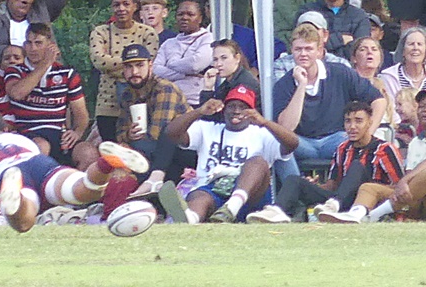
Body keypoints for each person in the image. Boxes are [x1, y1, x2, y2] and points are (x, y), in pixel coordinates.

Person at [0, 110, 148, 236]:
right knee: (82, 191)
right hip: (39, 163)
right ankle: (106, 162)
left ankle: (15, 196)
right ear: (5, 129)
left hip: (6, 172)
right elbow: (38, 154)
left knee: (23, 222)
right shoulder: (21, 139)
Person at [321, 89, 426, 223]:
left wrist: (403, 181)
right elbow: (411, 174)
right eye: (422, 106)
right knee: (369, 187)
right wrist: (400, 187)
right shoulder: (416, 142)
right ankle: (355, 214)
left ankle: (372, 216)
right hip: (420, 203)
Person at [158, 86, 298, 223]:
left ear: (252, 111)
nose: (236, 111)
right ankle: (190, 219)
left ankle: (231, 207)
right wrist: (199, 111)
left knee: (258, 162)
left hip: (250, 196)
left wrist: (265, 122)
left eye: (243, 107)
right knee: (200, 195)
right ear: (224, 110)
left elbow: (293, 143)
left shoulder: (262, 133)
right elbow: (171, 133)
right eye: (231, 106)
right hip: (214, 189)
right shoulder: (207, 128)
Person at [247, 101, 405, 223]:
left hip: (367, 201)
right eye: (348, 121)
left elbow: (399, 186)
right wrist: (314, 186)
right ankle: (277, 210)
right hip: (339, 197)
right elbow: (333, 184)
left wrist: (371, 191)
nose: (352, 127)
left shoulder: (385, 149)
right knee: (294, 180)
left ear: (370, 122)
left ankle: (335, 205)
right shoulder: (342, 148)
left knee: (357, 166)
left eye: (358, 121)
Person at [274, 24, 385, 164]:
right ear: (292, 51)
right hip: (302, 143)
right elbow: (286, 127)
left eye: (308, 49)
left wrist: (367, 133)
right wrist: (301, 85)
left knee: (354, 142)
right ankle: (296, 184)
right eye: (298, 49)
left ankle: (344, 185)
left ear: (319, 50)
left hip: (336, 139)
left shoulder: (340, 72)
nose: (303, 54)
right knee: (277, 144)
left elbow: (379, 100)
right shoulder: (284, 83)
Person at [4, 23, 89, 164]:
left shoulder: (67, 74)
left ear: (50, 45)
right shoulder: (15, 71)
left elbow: (81, 114)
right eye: (29, 43)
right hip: (27, 134)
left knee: (88, 152)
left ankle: (73, 185)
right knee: (41, 146)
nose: (33, 48)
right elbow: (17, 93)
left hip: (58, 134)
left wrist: (77, 132)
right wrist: (45, 64)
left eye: (38, 43)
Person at [115, 44, 190, 197]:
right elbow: (120, 133)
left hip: (182, 151)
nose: (134, 72)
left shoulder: (164, 88)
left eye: (139, 65)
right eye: (129, 67)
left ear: (150, 65)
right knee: (118, 154)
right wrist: (128, 135)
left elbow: (158, 135)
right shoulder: (127, 95)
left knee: (136, 153)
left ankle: (140, 195)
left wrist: (128, 146)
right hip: (151, 151)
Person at [90, 0, 158, 142]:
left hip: (140, 102)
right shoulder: (101, 32)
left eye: (126, 4)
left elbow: (148, 67)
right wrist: (133, 63)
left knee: (138, 149)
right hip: (107, 104)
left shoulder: (147, 32)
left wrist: (112, 66)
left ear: (135, 7)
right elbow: (98, 61)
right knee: (111, 149)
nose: (121, 9)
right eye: (116, 5)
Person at [296, 0, 370, 60]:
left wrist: (323, 42)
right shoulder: (307, 12)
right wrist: (340, 39)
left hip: (349, 71)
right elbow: (302, 45)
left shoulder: (359, 16)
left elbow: (361, 50)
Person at [153, 0, 213, 104]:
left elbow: (195, 64)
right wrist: (184, 75)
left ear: (200, 18)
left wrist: (170, 64)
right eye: (180, 14)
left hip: (196, 101)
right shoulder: (169, 43)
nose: (184, 18)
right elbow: (155, 69)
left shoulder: (208, 39)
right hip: (168, 99)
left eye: (190, 14)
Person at [378, 27, 426, 115]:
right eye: (411, 44)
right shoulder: (388, 77)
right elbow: (393, 113)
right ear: (403, 50)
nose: (415, 48)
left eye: (420, 44)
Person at [273, 11, 351, 79]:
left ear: (325, 35)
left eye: (314, 29)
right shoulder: (282, 65)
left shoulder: (341, 64)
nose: (308, 33)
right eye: (303, 30)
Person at [349, 37, 395, 139]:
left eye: (374, 49)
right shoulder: (348, 83)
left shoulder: (385, 82)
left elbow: (393, 119)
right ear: (354, 58)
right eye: (363, 49)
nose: (369, 52)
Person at [199, 39, 260, 113]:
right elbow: (206, 112)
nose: (219, 64)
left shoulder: (244, 84)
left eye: (224, 58)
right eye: (215, 59)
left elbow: (224, 117)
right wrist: (207, 88)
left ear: (237, 58)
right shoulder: (229, 81)